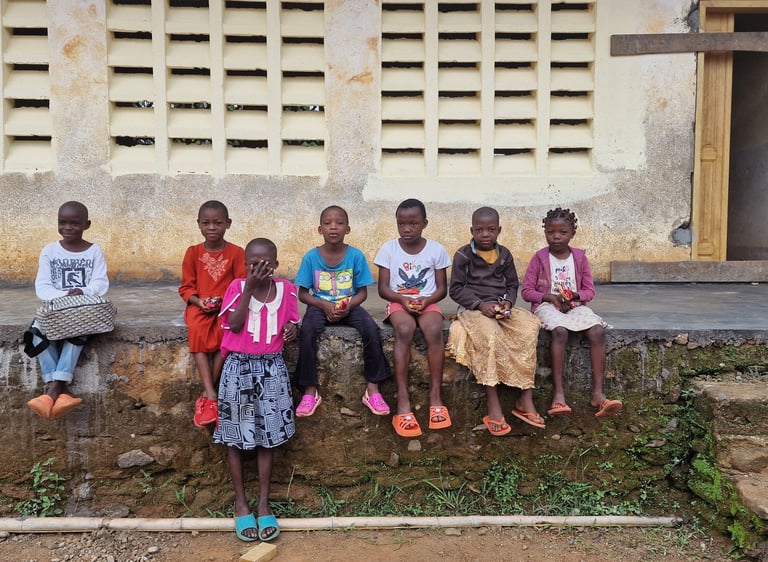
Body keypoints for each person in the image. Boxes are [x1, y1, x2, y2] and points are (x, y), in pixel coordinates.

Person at [213, 238, 299, 542]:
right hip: (238, 369)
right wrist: (249, 289)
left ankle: (263, 504)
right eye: (253, 264)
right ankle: (241, 503)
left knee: (267, 439)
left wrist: (293, 329)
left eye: (266, 264)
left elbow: (292, 322)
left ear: (275, 265)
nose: (259, 269)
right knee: (235, 439)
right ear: (245, 265)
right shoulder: (237, 288)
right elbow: (234, 325)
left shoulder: (287, 290)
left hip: (272, 369)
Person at [448, 207, 545, 434]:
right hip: (474, 308)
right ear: (472, 230)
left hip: (500, 306)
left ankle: (525, 398)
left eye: (491, 230)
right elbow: (456, 289)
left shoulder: (505, 255)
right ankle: (493, 405)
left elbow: (512, 285)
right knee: (490, 335)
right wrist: (480, 305)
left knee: (529, 326)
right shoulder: (463, 255)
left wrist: (508, 303)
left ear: (499, 230)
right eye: (479, 230)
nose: (485, 234)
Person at [521, 207, 623, 418]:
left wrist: (575, 296)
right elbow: (527, 291)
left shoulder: (579, 258)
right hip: (547, 306)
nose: (556, 237)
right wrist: (549, 297)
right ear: (545, 232)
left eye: (563, 232)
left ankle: (598, 395)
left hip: (574, 306)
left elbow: (589, 291)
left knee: (597, 331)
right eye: (551, 232)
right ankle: (559, 395)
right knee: (560, 332)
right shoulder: (539, 258)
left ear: (573, 233)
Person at [293, 206, 391, 417]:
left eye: (339, 223)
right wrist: (323, 305)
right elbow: (303, 294)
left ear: (348, 229)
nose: (333, 227)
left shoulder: (355, 256)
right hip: (319, 306)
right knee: (307, 330)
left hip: (350, 306)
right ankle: (310, 391)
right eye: (327, 223)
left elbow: (362, 293)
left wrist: (348, 306)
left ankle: (373, 389)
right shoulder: (311, 257)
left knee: (371, 329)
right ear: (320, 229)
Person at [374, 198, 452, 438]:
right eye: (401, 224)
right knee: (405, 329)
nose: (407, 229)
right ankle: (403, 398)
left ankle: (436, 395)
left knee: (434, 331)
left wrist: (426, 301)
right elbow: (383, 288)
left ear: (424, 223)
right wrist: (402, 299)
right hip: (399, 302)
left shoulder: (436, 250)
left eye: (413, 224)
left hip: (427, 302)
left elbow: (442, 288)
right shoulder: (389, 249)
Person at [26, 201, 109, 420]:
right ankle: (60, 390)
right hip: (55, 309)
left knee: (77, 333)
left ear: (86, 225)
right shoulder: (50, 251)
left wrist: (82, 291)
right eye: (62, 223)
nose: (68, 228)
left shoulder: (94, 251)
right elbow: (42, 286)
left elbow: (100, 283)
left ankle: (53, 390)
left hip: (83, 310)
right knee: (35, 335)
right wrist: (65, 296)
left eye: (74, 223)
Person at [179, 201, 246, 429]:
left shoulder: (236, 253)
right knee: (197, 330)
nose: (212, 228)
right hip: (199, 306)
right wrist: (199, 301)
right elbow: (186, 287)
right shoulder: (193, 253)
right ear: (198, 224)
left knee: (224, 335)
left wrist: (224, 302)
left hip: (227, 307)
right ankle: (211, 393)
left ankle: (208, 395)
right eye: (206, 223)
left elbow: (241, 283)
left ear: (228, 223)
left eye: (217, 223)